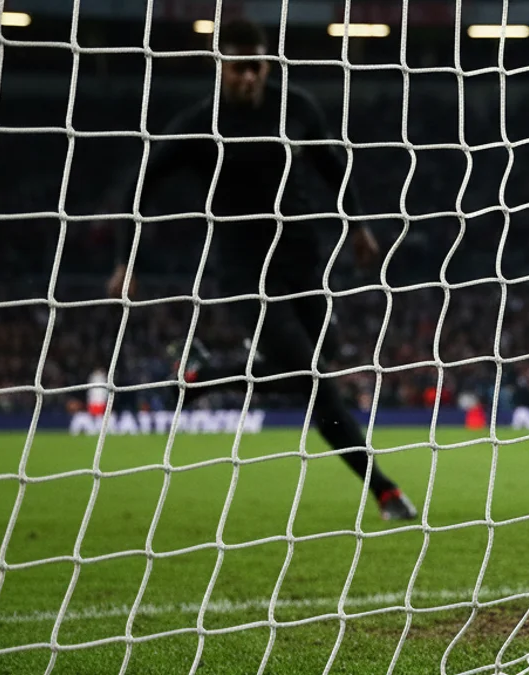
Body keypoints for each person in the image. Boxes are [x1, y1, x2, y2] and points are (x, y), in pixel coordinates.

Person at [104, 18, 416, 521]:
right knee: (311, 376)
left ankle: (203, 376)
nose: (248, 76)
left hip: (301, 259)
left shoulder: (295, 107)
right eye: (238, 66)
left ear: (267, 64)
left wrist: (358, 226)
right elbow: (139, 189)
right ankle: (383, 491)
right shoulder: (198, 124)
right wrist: (127, 259)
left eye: (256, 66)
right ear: (220, 66)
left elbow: (330, 164)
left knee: (322, 361)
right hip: (246, 273)